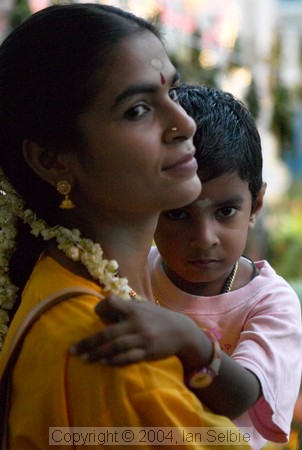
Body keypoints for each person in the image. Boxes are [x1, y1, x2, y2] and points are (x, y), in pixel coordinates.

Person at [0, 5, 251, 450]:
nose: (184, 124)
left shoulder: (75, 287)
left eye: (172, 93)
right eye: (137, 110)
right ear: (53, 159)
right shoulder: (111, 347)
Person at [74, 85, 302, 450]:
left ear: (256, 205)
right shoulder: (129, 272)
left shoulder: (271, 303)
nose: (204, 237)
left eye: (226, 211)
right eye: (177, 214)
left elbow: (240, 397)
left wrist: (189, 339)